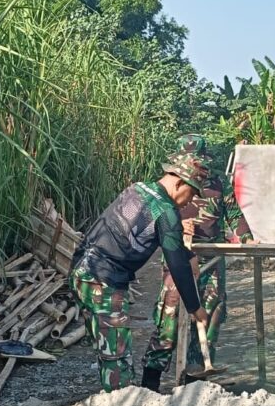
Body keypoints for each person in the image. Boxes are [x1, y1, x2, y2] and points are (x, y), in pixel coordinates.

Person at [69, 152, 211, 392]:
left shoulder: (138, 189)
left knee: (109, 352)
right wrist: (195, 308)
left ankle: (122, 402)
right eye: (192, 193)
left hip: (82, 271)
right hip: (103, 282)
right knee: (117, 360)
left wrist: (189, 255)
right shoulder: (167, 212)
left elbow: (168, 244)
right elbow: (176, 265)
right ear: (179, 182)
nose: (191, 201)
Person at [143, 135, 254, 390]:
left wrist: (246, 238)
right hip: (179, 255)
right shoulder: (171, 184)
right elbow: (156, 216)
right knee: (170, 314)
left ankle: (197, 373)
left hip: (212, 258)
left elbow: (235, 213)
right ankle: (152, 379)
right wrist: (178, 226)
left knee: (211, 311)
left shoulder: (218, 182)